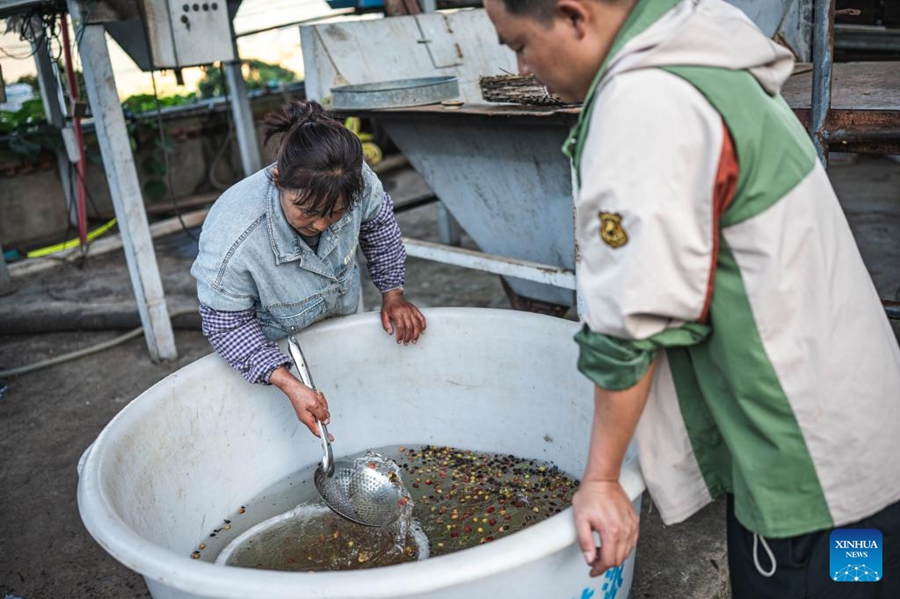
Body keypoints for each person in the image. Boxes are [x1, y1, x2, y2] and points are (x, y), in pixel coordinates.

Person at [484, 0, 900, 596]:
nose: (521, 69)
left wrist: (600, 480)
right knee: (867, 575)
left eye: (518, 44)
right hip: (860, 429)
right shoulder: (702, 39)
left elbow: (632, 324)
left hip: (808, 472)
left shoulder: (642, 106)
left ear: (576, 17)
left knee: (823, 582)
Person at [191, 100, 426, 439]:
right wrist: (286, 380)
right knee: (280, 431)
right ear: (277, 178)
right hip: (273, 343)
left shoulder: (355, 178)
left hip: (341, 309)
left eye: (334, 214)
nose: (318, 225)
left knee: (354, 412)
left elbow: (379, 227)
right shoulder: (234, 240)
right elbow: (226, 325)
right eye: (306, 211)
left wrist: (393, 292)